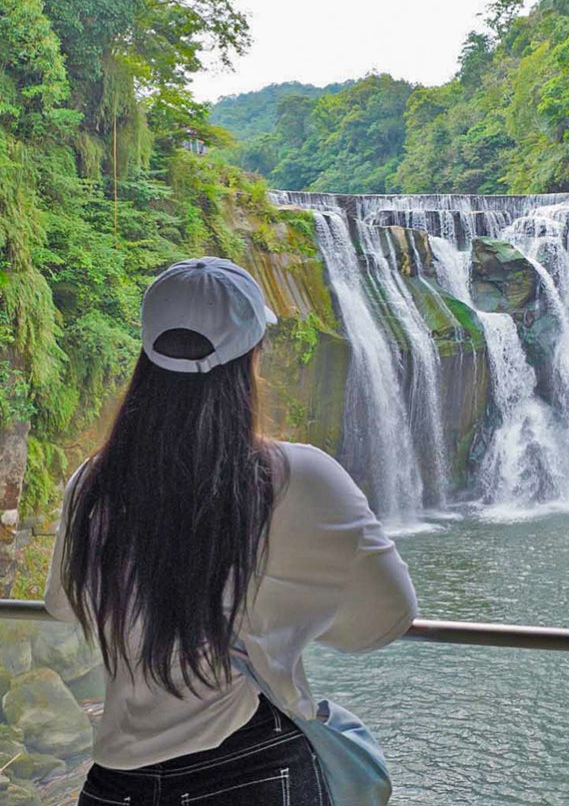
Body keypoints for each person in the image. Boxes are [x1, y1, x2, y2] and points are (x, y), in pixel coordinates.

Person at [44, 256, 418, 805]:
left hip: (116, 786)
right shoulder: (302, 479)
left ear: (147, 355)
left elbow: (63, 604)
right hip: (254, 769)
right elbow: (386, 620)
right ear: (253, 356)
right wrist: (283, 616)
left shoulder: (90, 486)